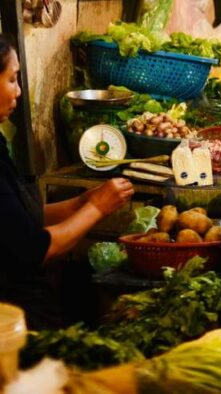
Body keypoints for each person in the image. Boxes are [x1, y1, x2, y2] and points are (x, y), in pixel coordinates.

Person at [0, 37, 134, 328]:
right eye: (12, 79)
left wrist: (81, 202)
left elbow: (16, 222)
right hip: (14, 319)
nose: (19, 91)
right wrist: (96, 208)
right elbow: (36, 249)